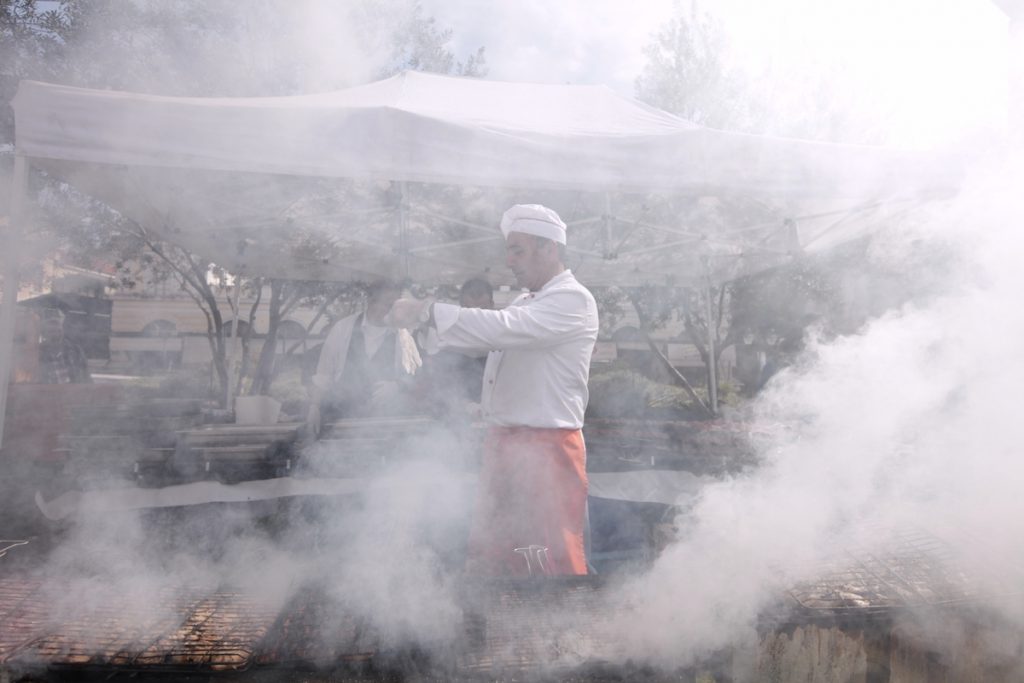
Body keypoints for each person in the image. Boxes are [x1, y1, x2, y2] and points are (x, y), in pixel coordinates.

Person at [388, 204, 599, 576]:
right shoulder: (527, 301)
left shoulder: (573, 299)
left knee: (548, 558)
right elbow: (479, 341)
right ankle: (503, 625)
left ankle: (562, 626)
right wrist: (424, 327)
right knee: (502, 555)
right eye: (509, 250)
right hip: (508, 444)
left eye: (517, 249)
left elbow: (499, 328)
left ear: (549, 248)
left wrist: (426, 311)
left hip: (548, 448)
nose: (509, 260)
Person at [307, 280, 422, 436]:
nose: (392, 312)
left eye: (395, 307)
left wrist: (398, 385)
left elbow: (416, 376)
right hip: (341, 419)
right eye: (387, 305)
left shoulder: (404, 335)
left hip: (385, 423)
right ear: (371, 300)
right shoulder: (343, 329)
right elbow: (323, 375)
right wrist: (314, 407)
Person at [417, 276, 494, 421]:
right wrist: (463, 404)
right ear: (460, 307)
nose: (475, 317)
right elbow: (438, 388)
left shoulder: (504, 343)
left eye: (482, 310)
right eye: (469, 310)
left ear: (492, 305)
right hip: (455, 424)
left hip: (496, 423)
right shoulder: (446, 343)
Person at [36, 308, 91, 384]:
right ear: (44, 334)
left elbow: (87, 376)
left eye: (59, 331)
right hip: (48, 394)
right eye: (52, 331)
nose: (57, 334)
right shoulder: (37, 353)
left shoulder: (75, 350)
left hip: (74, 394)